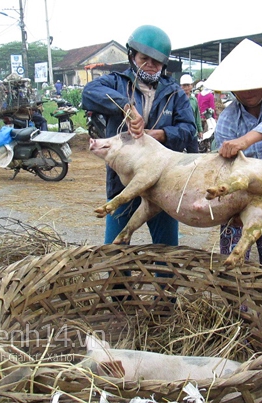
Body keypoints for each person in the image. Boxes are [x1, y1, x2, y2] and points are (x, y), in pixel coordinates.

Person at [81, 25, 196, 246]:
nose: (150, 66)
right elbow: (89, 93)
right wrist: (125, 106)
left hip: (164, 183)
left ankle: (164, 280)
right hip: (123, 182)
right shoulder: (115, 82)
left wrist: (160, 134)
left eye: (156, 61)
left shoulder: (174, 93)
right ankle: (118, 281)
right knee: (115, 249)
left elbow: (189, 129)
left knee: (166, 250)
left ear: (164, 64)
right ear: (132, 55)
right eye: (144, 58)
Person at [204, 39, 262, 277]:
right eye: (241, 86)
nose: (248, 91)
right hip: (238, 198)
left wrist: (245, 141)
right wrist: (231, 208)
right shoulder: (228, 117)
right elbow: (225, 165)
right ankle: (237, 310)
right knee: (233, 266)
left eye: (254, 83)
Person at [180, 74, 203, 147]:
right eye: (184, 85)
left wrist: (200, 130)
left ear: (192, 86)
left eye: (188, 85)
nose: (186, 88)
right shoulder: (177, 99)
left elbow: (197, 116)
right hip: (181, 132)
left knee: (194, 154)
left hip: (193, 133)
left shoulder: (194, 100)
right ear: (180, 86)